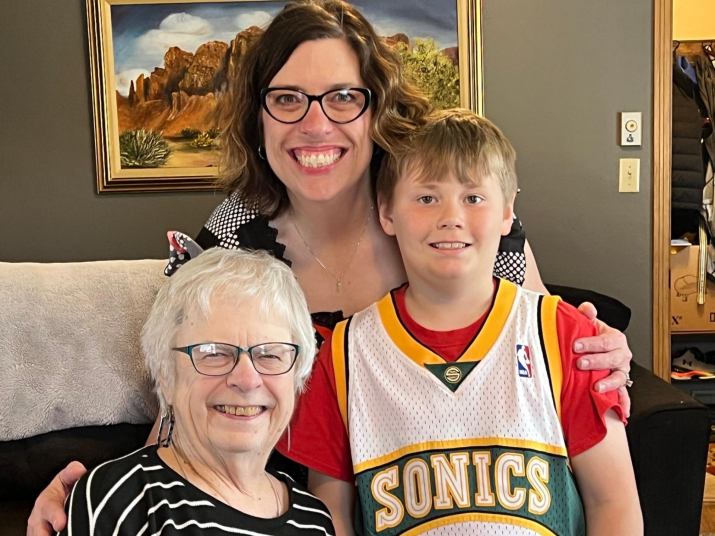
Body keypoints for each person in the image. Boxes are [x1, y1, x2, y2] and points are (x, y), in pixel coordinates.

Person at [27, 1, 634, 534]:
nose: (315, 123)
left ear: (377, 108)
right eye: (287, 99)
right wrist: (103, 500)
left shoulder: (440, 220)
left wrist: (607, 356)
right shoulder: (232, 233)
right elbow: (184, 408)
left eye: (344, 97)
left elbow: (542, 353)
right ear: (258, 119)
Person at [278, 109, 642, 535]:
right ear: (387, 212)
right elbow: (332, 516)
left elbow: (613, 503)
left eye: (473, 198)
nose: (450, 216)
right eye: (427, 197)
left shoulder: (565, 336)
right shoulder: (342, 356)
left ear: (507, 213)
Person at [58, 248, 335, 536]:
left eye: (269, 355)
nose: (247, 379)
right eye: (214, 353)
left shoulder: (315, 521)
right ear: (167, 376)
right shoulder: (121, 500)